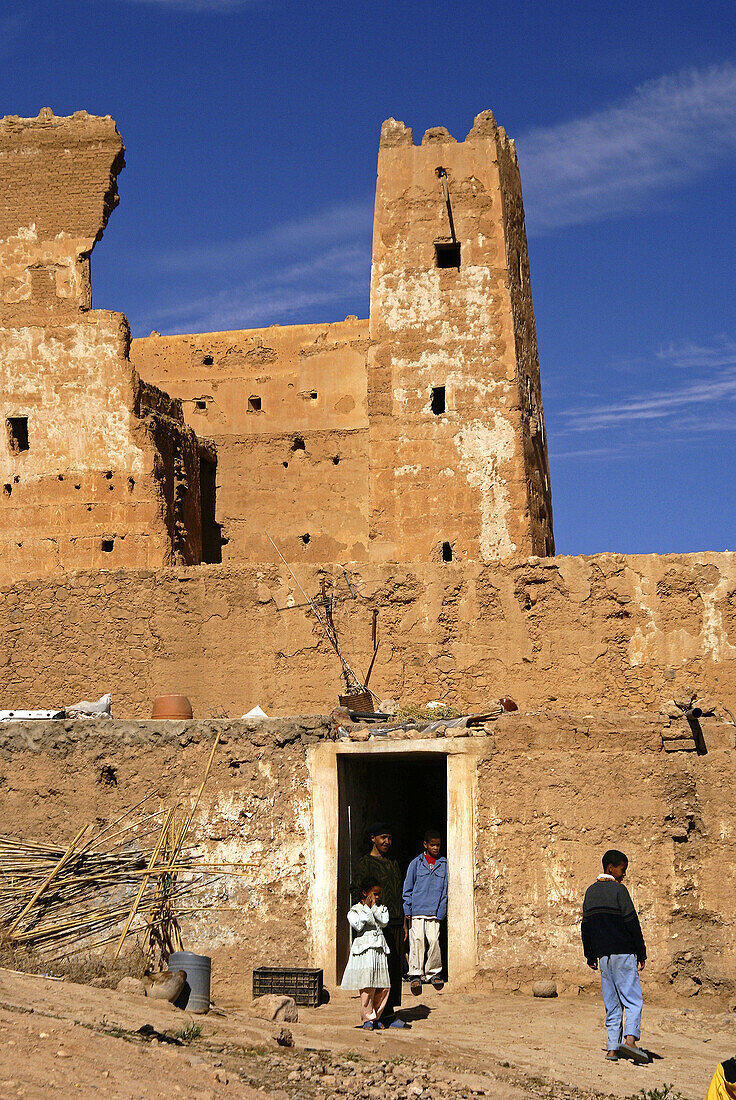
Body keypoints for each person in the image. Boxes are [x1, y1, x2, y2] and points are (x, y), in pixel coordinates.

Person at [581, 848, 649, 1064]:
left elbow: (586, 927)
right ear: (611, 868)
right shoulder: (620, 891)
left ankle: (612, 1048)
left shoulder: (590, 892)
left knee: (612, 1002)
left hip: (603, 957)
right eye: (622, 869)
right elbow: (632, 923)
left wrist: (590, 955)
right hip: (623, 953)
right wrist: (641, 951)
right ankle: (630, 1041)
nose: (624, 874)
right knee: (633, 999)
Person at [351, 822, 407, 1027]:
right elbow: (356, 892)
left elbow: (400, 891)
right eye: (383, 837)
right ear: (373, 838)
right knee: (375, 971)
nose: (387, 842)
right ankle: (372, 1015)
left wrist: (404, 922)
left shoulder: (393, 863)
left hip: (394, 921)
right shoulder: (364, 863)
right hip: (374, 926)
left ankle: (389, 1013)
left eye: (390, 838)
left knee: (392, 969)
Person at [340, 878, 391, 1030]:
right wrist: (367, 909)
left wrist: (374, 908)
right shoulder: (355, 910)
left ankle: (376, 1015)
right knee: (367, 986)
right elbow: (358, 925)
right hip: (364, 951)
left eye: (379, 894)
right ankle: (367, 1018)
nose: (377, 897)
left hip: (379, 949)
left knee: (383, 986)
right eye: (374, 894)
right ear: (365, 893)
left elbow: (383, 921)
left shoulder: (381, 908)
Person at [403, 828, 448, 994]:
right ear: (425, 845)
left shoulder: (443, 864)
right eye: (432, 845)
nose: (436, 848)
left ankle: (433, 973)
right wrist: (407, 907)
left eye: (438, 845)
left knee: (434, 941)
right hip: (417, 910)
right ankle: (415, 973)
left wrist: (441, 912)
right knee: (417, 941)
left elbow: (445, 891)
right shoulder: (416, 863)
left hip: (434, 911)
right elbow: (408, 886)